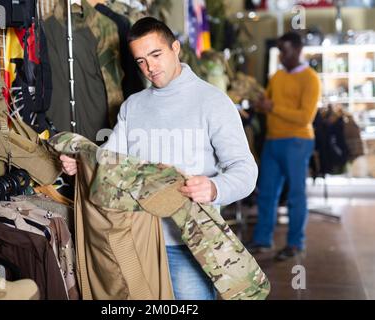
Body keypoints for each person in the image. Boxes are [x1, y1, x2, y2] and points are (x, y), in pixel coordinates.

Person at [60, 17, 258, 300]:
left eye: (156, 54)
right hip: (136, 239)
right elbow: (110, 161)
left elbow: (245, 170)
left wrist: (215, 188)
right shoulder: (133, 106)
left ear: (175, 48)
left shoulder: (213, 102)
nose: (150, 67)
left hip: (188, 243)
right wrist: (81, 163)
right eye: (140, 61)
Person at [248, 32, 320, 261]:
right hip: (272, 140)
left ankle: (295, 243)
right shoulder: (277, 76)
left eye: (285, 50)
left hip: (298, 140)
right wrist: (259, 104)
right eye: (279, 50)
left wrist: (272, 107)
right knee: (267, 193)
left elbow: (305, 117)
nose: (281, 55)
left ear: (298, 50)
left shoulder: (310, 78)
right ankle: (262, 239)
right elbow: (267, 105)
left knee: (296, 195)